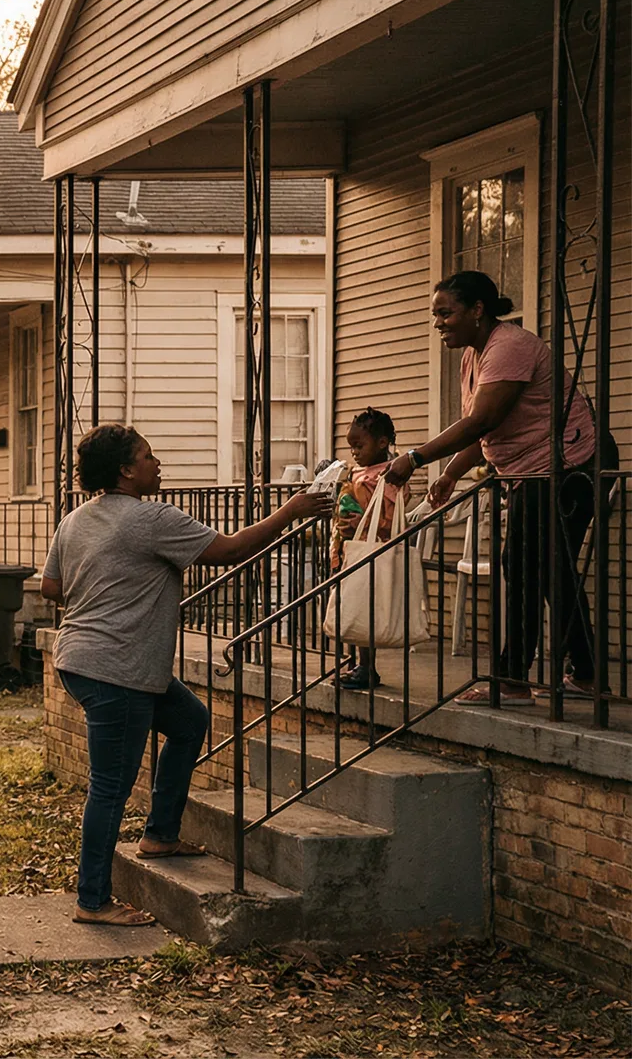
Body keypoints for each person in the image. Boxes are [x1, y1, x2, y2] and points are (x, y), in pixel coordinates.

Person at [41, 425, 330, 927]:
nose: (158, 465)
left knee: (190, 721)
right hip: (119, 669)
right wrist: (292, 511)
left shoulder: (76, 520)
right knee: (110, 785)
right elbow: (231, 550)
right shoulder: (150, 518)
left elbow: (51, 587)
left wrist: (106, 593)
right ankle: (93, 901)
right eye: (149, 457)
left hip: (82, 660)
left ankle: (160, 835)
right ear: (127, 470)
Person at [384, 270, 611, 703]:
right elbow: (486, 431)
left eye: (446, 313)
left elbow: (483, 419)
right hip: (532, 470)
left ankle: (512, 679)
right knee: (550, 570)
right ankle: (587, 673)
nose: (439, 324)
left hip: (569, 466)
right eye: (436, 315)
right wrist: (451, 472)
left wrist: (415, 458)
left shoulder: (510, 347)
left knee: (524, 564)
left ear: (478, 309)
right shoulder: (475, 354)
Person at [330, 407, 411, 690]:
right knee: (353, 604)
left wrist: (362, 523)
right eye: (351, 446)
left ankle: (366, 666)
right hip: (350, 550)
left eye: (359, 445)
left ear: (382, 443)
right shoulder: (359, 473)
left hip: (372, 552)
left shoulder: (389, 477)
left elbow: (387, 519)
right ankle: (357, 663)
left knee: (364, 609)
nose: (354, 451)